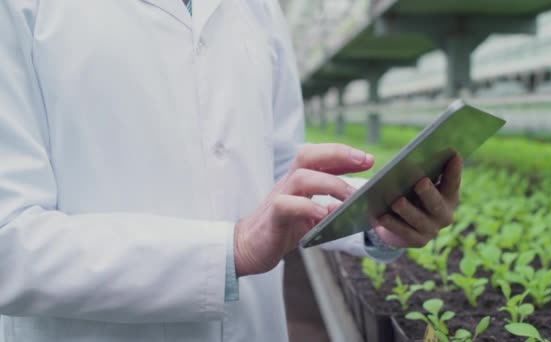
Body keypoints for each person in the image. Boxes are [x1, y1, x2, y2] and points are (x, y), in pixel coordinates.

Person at [0, 1, 462, 341]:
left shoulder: (258, 8)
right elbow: (10, 244)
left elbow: (278, 168)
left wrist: (377, 216)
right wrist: (230, 250)